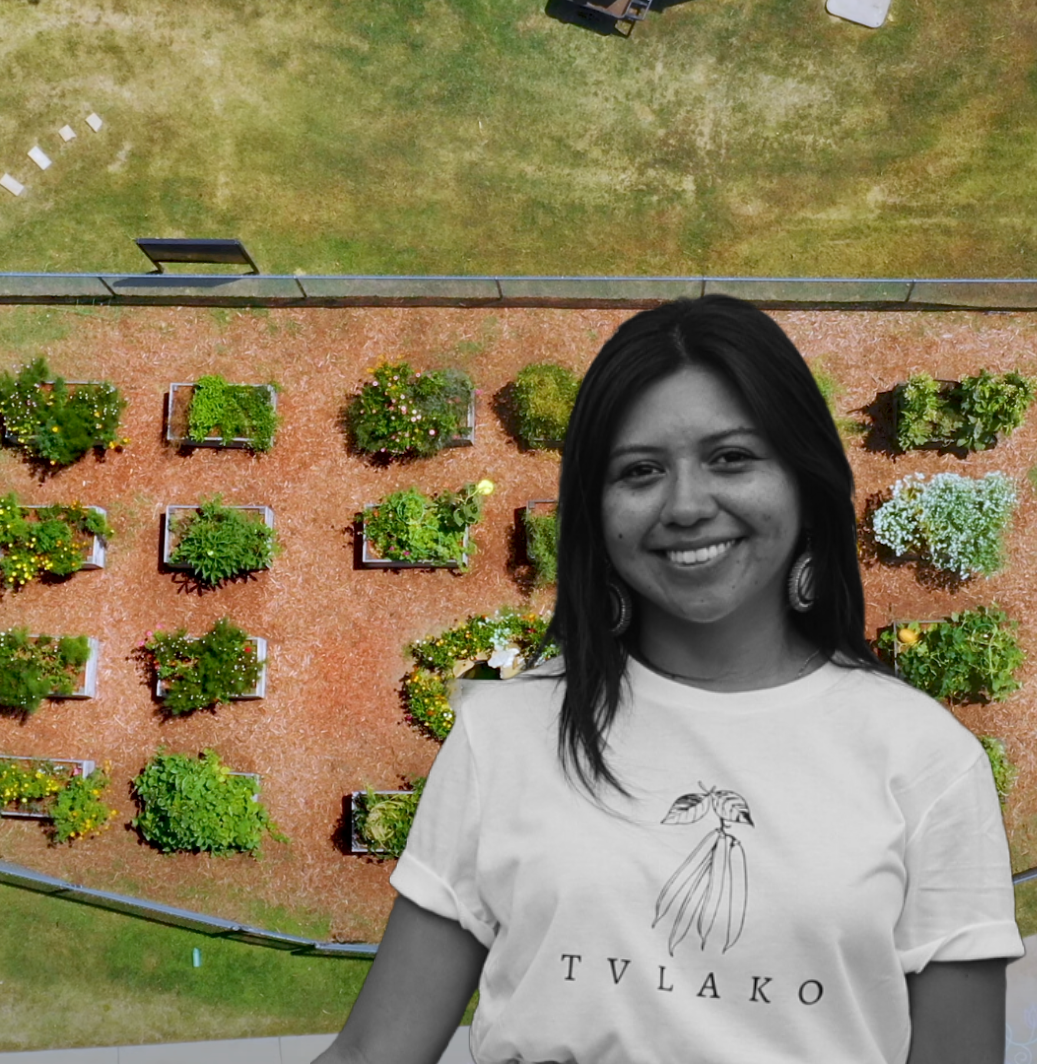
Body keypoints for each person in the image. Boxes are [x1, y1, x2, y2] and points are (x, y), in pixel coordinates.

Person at [314, 295, 1024, 1064]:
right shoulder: (506, 734)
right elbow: (374, 1053)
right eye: (641, 470)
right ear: (596, 508)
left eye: (732, 458)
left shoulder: (927, 762)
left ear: (805, 479)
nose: (686, 505)